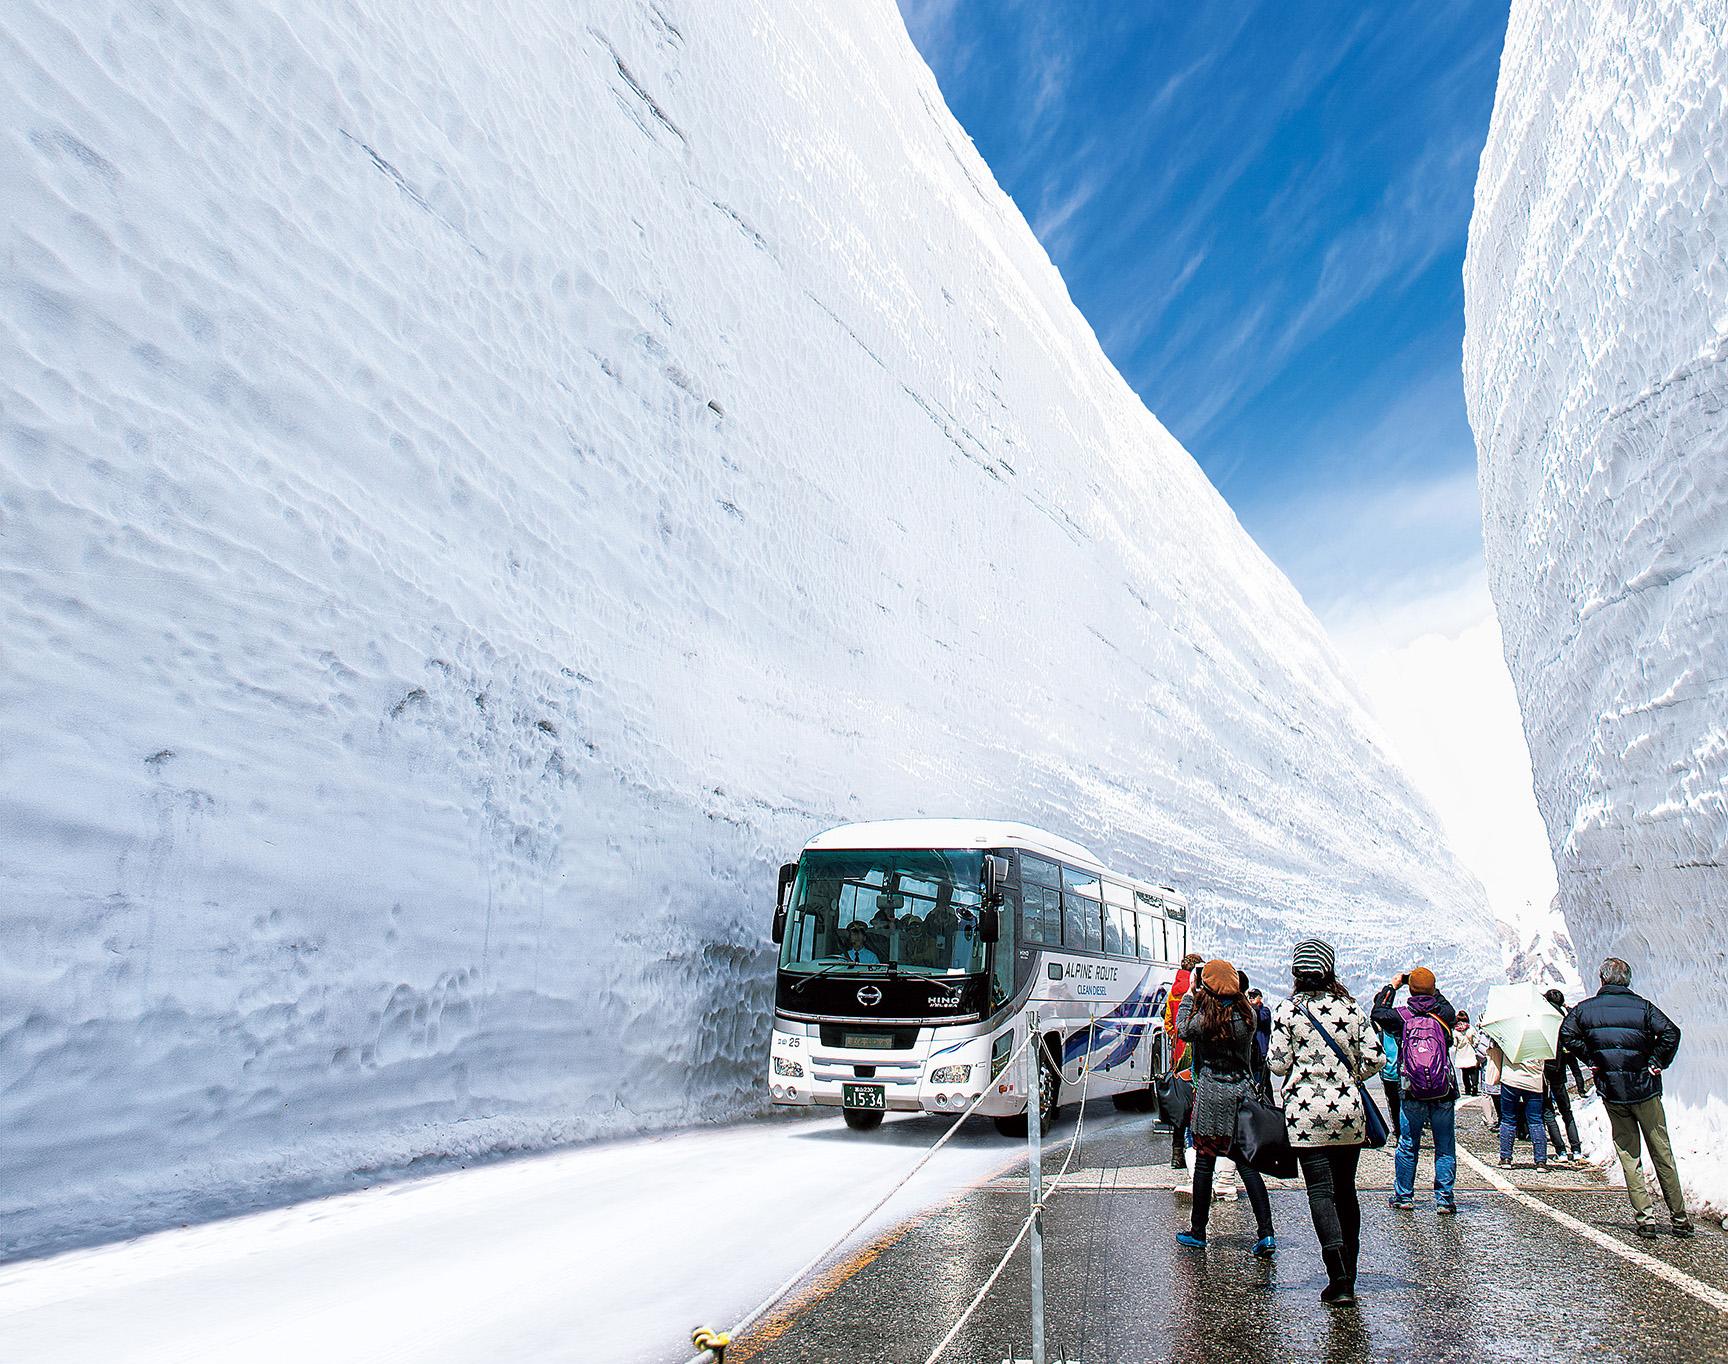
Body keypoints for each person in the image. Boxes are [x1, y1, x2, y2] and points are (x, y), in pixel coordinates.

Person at [1268, 938, 1379, 1307]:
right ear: (1329, 969)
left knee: (1320, 1192)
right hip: (1348, 1111)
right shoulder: (1351, 1008)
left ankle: (1338, 1278)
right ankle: (1352, 1271)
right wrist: (1350, 1079)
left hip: (1305, 1115)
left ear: (1297, 973)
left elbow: (1278, 1063)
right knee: (1346, 1190)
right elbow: (1376, 1058)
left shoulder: (1288, 1010)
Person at [1559, 957, 1692, 1238]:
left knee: (1629, 1155)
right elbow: (1671, 1032)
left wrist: (1592, 1057)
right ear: (1627, 980)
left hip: (1613, 1091)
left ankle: (1645, 1219)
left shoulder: (1585, 1010)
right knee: (1661, 1151)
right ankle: (1679, 1218)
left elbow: (1567, 1035)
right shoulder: (1642, 1007)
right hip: (1645, 1088)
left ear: (1602, 979)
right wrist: (1656, 1061)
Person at [1173, 959, 1277, 1258]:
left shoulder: (1204, 1019)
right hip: (1241, 1095)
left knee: (1205, 1163)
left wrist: (1192, 995)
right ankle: (1266, 1233)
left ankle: (1198, 1231)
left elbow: (1182, 1029)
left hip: (1210, 1097)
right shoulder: (1247, 1017)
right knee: (1247, 1166)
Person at [1372, 968, 1460, 1214]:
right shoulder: (1444, 1014)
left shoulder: (1402, 1016)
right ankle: (1444, 1199)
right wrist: (1431, 989)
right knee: (1444, 1144)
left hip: (1411, 1089)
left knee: (1408, 1144)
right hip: (1443, 1089)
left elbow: (1378, 1012)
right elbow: (1444, 1004)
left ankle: (1404, 1196)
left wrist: (1393, 986)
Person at [1484, 1024, 1551, 1170]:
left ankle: (1506, 1158)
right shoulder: (1543, 1033)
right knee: (1535, 1120)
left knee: (1508, 1119)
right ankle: (1540, 1161)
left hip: (1511, 1079)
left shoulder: (1510, 1031)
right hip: (1534, 1081)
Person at [1163, 952, 1205, 1170]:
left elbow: (1169, 1022)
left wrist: (1176, 1038)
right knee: (1197, 1100)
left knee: (1181, 1101)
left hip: (1179, 1051)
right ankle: (1196, 1151)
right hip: (1197, 1050)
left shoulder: (1173, 991)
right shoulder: (1199, 990)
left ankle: (1177, 1153)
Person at [1541, 989, 1588, 1163]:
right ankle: (1576, 1149)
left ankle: (1560, 1150)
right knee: (1566, 1110)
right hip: (1560, 1068)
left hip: (1545, 1068)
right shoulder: (1566, 1016)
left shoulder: (1543, 1017)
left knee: (1547, 1111)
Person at [1376, 1025, 1401, 1138]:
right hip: (1401, 1076)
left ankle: (1398, 1130)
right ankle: (1402, 1130)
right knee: (1402, 1105)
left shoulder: (1381, 1035)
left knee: (1394, 1105)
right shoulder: (1402, 1030)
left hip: (1389, 1076)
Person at [1454, 1011, 1483, 1097]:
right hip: (1471, 1053)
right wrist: (1474, 1044)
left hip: (1461, 1055)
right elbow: (1477, 1040)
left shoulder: (1456, 1031)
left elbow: (1455, 1044)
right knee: (1473, 1072)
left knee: (1465, 1073)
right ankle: (1474, 1086)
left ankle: (1467, 1088)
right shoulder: (1471, 1029)